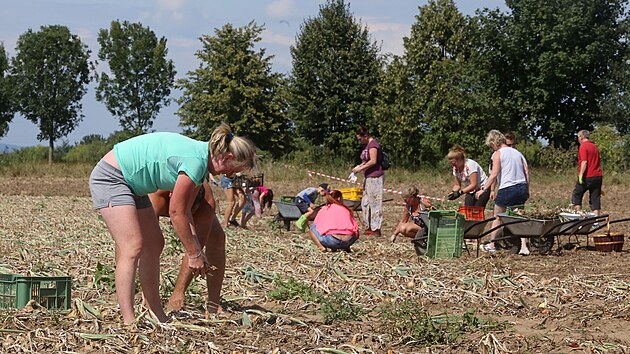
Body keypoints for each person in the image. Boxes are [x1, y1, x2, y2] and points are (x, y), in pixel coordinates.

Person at [88, 123, 256, 323]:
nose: (230, 175)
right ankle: (129, 320)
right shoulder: (195, 162)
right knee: (132, 246)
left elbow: (186, 212)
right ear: (227, 158)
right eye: (234, 170)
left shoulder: (200, 164)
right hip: (113, 178)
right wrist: (193, 254)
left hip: (134, 184)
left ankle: (156, 313)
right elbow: (175, 212)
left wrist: (197, 252)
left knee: (155, 243)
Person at [148, 180, 225, 315]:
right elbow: (147, 243)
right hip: (137, 186)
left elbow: (196, 249)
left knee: (217, 237)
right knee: (138, 243)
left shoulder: (206, 203)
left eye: (190, 212)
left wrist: (179, 292)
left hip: (195, 200)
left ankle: (213, 303)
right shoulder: (157, 194)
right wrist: (147, 294)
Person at [476, 130, 530, 255]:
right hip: (521, 187)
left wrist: (484, 189)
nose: (491, 148)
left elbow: (493, 174)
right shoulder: (518, 153)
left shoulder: (498, 154)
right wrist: (527, 189)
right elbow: (526, 172)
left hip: (507, 188)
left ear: (494, 143)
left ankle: (492, 244)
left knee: (498, 217)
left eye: (491, 146)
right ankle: (524, 246)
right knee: (519, 217)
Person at [352, 127, 385, 236]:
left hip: (375, 177)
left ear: (365, 136)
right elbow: (366, 161)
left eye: (359, 139)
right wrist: (358, 167)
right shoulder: (367, 146)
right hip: (368, 177)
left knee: (375, 203)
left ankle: (376, 228)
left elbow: (373, 161)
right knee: (365, 203)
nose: (359, 141)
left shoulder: (373, 145)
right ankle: (369, 226)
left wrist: (361, 168)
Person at [571, 129, 603, 216]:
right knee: (595, 198)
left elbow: (584, 162)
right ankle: (595, 220)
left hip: (587, 176)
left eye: (578, 137)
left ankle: (577, 216)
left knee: (577, 194)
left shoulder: (583, 147)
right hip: (597, 176)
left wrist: (581, 175)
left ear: (581, 137)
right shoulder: (594, 147)